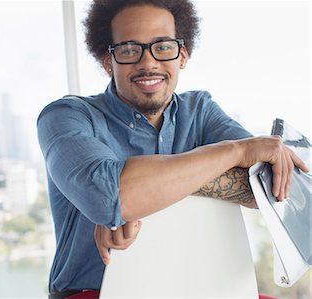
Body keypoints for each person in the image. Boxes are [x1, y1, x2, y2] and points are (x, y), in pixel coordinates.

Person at [37, 0, 309, 298]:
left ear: (183, 54)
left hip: (201, 288)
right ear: (107, 60)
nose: (148, 62)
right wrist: (235, 152)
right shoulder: (66, 116)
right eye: (129, 50)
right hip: (94, 292)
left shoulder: (200, 111)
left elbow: (270, 188)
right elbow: (108, 197)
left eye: (163, 46)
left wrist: (137, 198)